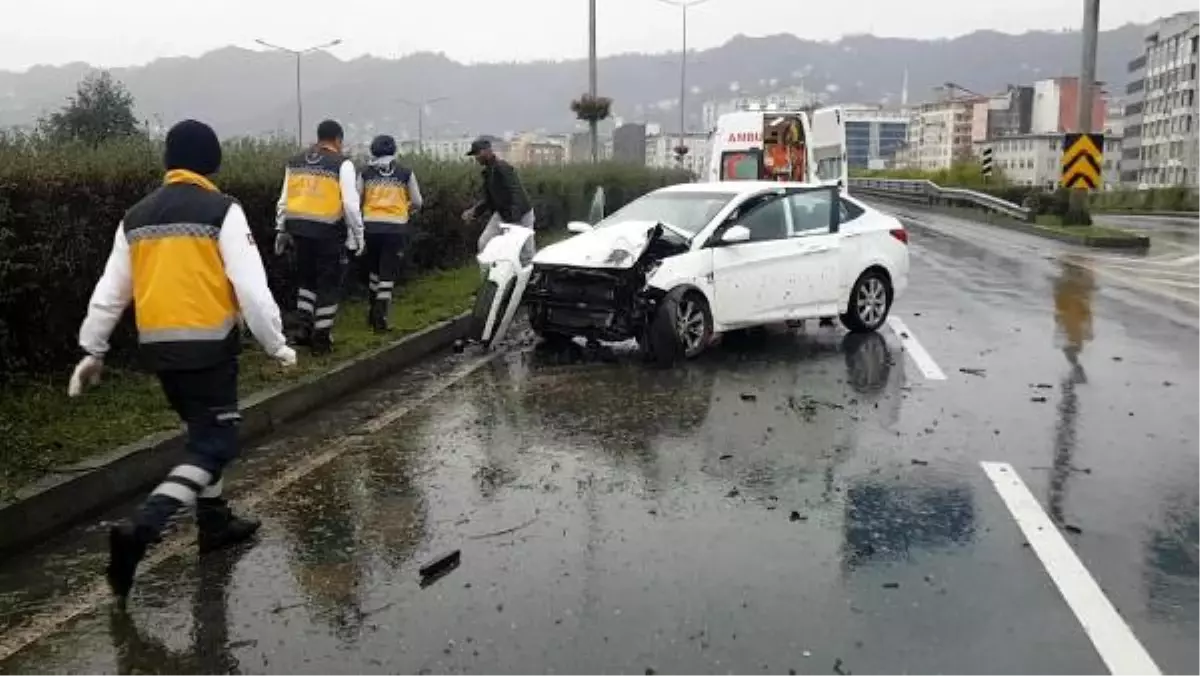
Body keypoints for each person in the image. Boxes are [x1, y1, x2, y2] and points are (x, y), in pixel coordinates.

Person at [69, 119, 296, 601]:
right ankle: (142, 529)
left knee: (201, 433)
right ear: (213, 162)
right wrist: (276, 344)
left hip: (161, 354)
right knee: (215, 444)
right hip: (209, 350)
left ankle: (214, 523)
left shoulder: (135, 217)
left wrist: (93, 349)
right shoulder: (222, 210)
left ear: (169, 162)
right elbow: (252, 289)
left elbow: (110, 292)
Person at [273, 119, 365, 354]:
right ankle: (322, 338)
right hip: (328, 232)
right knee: (328, 284)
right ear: (338, 140)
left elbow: (283, 200)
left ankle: (303, 330)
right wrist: (358, 236)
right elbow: (351, 205)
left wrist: (281, 230)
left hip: (299, 231)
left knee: (306, 282)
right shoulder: (342, 164)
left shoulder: (295, 162)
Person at [359, 134, 423, 332]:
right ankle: (381, 318)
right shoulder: (405, 173)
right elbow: (418, 201)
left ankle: (371, 312)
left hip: (370, 227)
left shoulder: (365, 173)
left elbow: (356, 199)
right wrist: (406, 209)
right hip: (395, 228)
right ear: (394, 150)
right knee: (387, 273)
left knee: (374, 271)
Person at [461, 137, 534, 253]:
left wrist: (515, 220)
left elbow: (515, 192)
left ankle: (529, 270)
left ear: (487, 151)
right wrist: (474, 211)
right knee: (484, 242)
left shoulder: (502, 167)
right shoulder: (487, 173)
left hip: (522, 214)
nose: (476, 157)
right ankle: (489, 270)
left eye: (477, 153)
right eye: (474, 154)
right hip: (502, 214)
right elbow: (489, 199)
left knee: (526, 251)